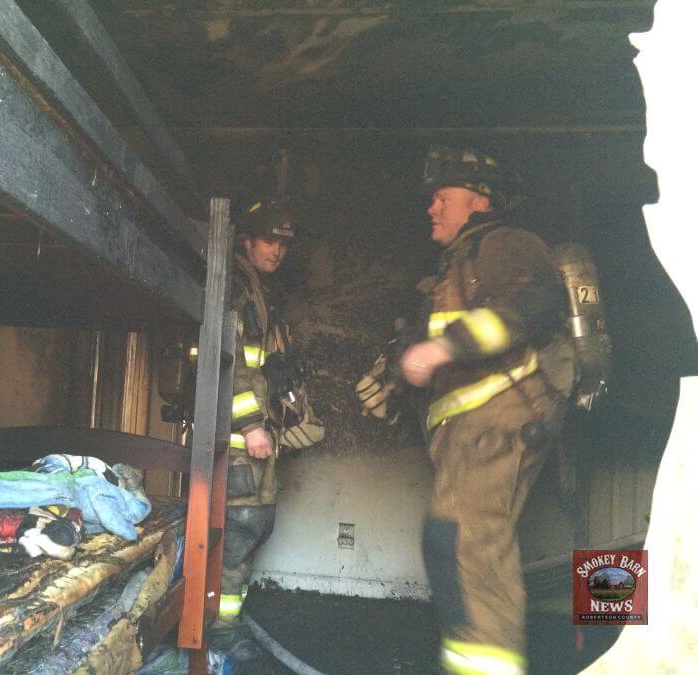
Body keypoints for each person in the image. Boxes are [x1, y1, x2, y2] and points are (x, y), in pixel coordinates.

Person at [358, 146, 568, 673]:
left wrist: (443, 349)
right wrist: (396, 378)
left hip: (502, 415)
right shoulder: (455, 267)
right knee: (451, 545)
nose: (431, 207)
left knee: (466, 547)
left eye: (442, 196)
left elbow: (537, 303)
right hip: (470, 428)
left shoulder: (505, 243)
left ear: (479, 200)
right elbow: (428, 346)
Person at [210, 198, 324, 661]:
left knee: (257, 525)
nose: (277, 250)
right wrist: (253, 425)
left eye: (283, 244)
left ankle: (230, 619)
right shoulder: (235, 287)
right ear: (246, 241)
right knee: (240, 529)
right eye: (269, 240)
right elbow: (232, 362)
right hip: (244, 436)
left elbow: (265, 367)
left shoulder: (262, 291)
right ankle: (220, 629)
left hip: (261, 435)